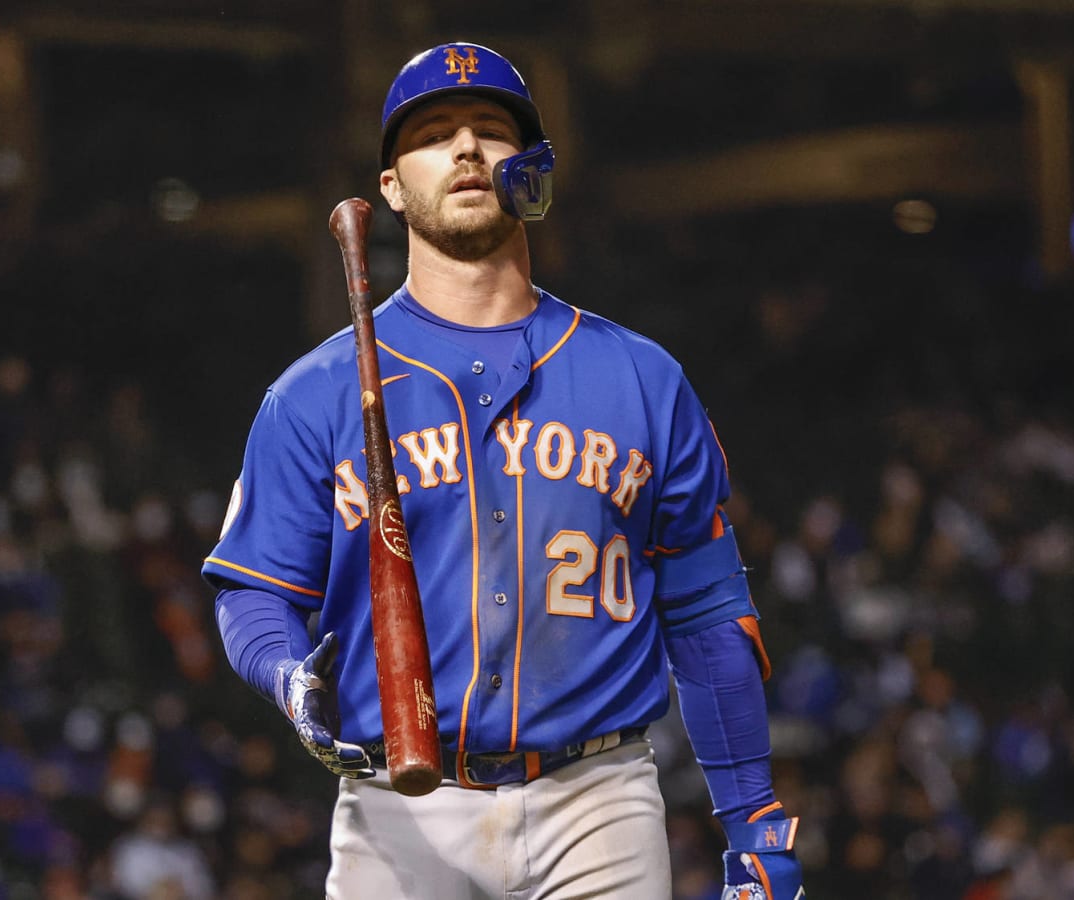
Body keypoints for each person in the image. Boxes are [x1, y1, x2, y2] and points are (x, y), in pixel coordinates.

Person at [203, 41, 805, 900]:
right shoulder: (315, 395)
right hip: (396, 804)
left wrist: (754, 823)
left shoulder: (640, 377)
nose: (466, 148)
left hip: (597, 799)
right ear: (390, 187)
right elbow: (256, 587)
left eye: (491, 129)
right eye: (433, 133)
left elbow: (708, 607)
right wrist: (286, 674)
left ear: (533, 170)